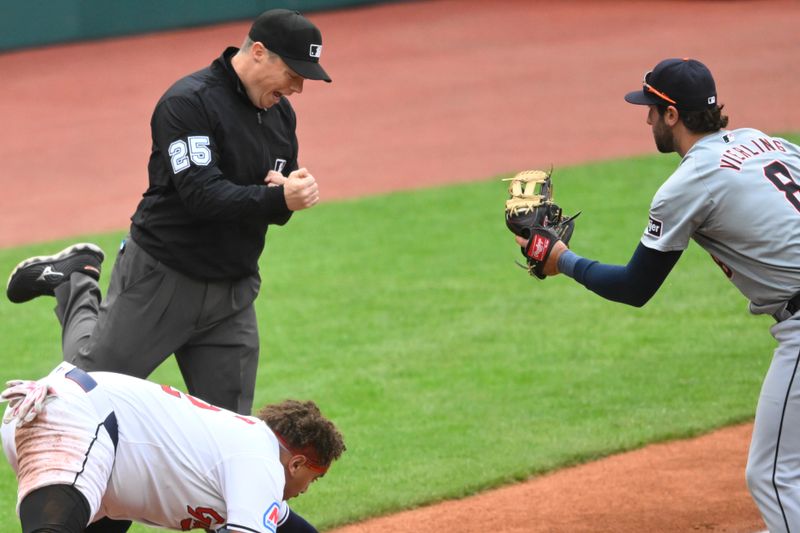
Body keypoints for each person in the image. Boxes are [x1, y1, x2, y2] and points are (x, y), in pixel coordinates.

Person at [516, 57, 800, 531]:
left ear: (673, 115)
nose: (646, 118)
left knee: (771, 476)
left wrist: (561, 259)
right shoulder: (766, 142)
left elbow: (634, 287)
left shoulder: (689, 182)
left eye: (651, 108)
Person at [5, 9, 329, 416]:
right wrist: (276, 200)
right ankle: (74, 282)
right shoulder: (189, 104)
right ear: (260, 52)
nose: (299, 86)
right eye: (294, 72)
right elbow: (202, 195)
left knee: (229, 434)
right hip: (163, 279)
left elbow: (266, 204)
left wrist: (286, 195)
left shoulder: (280, 114)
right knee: (86, 393)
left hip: (232, 293)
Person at [0, 361, 345, 533]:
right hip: (76, 421)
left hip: (78, 437)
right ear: (297, 463)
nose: (305, 490)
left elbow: (289, 528)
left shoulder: (249, 453)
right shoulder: (262, 461)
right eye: (314, 478)